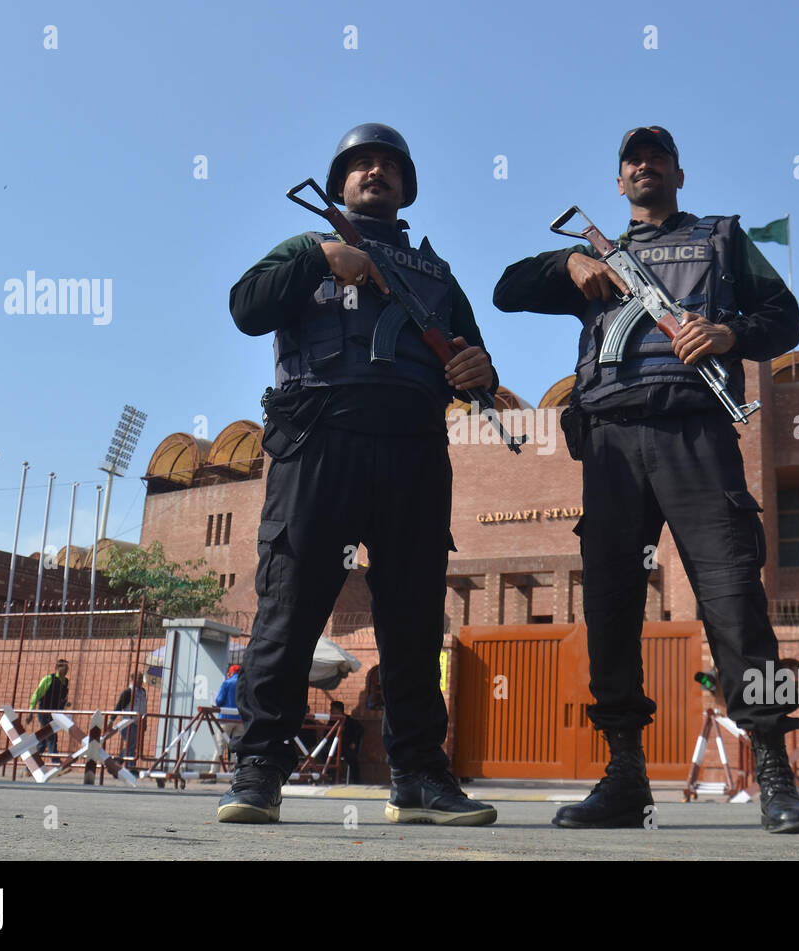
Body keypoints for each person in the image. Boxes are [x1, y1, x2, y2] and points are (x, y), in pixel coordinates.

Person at [493, 126, 799, 834]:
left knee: (734, 599)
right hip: (609, 447)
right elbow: (504, 290)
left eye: (656, 157)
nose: (644, 166)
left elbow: (785, 317)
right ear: (618, 182)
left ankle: (773, 770)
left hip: (694, 434)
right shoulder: (598, 258)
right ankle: (625, 775)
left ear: (678, 171)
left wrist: (726, 335)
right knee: (610, 608)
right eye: (632, 160)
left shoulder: (723, 240)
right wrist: (568, 264)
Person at [219, 122, 499, 826]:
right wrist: (321, 261)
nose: (375, 173)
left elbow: (474, 364)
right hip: (319, 440)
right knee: (290, 608)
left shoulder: (435, 274)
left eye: (388, 166)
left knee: (412, 618)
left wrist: (477, 369)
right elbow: (246, 308)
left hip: (412, 447)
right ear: (340, 182)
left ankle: (420, 776)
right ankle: (258, 771)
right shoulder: (303, 247)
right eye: (361, 164)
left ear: (406, 187)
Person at [29, 658, 70, 758]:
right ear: (57, 668)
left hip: (56, 714)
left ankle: (30, 766)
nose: (66, 670)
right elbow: (37, 694)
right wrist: (31, 711)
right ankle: (56, 762)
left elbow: (61, 697)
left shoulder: (65, 682)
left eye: (67, 668)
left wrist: (65, 705)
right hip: (45, 712)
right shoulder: (48, 679)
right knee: (52, 736)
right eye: (64, 668)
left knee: (43, 740)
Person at [110, 671, 147, 763]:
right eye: (138, 678)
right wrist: (111, 721)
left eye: (141, 678)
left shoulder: (143, 692)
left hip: (138, 722)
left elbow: (144, 708)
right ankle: (131, 769)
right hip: (128, 723)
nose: (140, 680)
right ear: (132, 679)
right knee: (131, 746)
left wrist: (144, 722)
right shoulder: (128, 692)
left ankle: (115, 765)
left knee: (132, 746)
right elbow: (119, 706)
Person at [214, 664, 243, 768]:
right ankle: (234, 772)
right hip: (240, 719)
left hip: (226, 718)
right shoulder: (245, 684)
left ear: (230, 673)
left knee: (220, 745)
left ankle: (213, 772)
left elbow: (219, 701)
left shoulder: (227, 683)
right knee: (237, 748)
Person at [330, 700, 365, 784]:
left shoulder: (350, 721)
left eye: (332, 710)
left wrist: (354, 742)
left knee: (352, 757)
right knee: (323, 754)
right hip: (334, 748)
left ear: (338, 710)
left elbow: (360, 731)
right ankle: (330, 777)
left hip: (347, 747)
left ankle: (356, 780)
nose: (330, 712)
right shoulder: (331, 722)